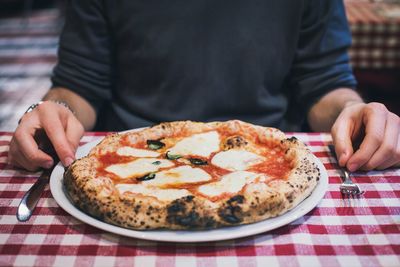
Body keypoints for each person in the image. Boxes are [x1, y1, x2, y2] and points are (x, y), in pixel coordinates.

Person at [8, 0, 400, 172]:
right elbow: (79, 84)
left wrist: (353, 112)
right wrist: (57, 112)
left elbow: (324, 83)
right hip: (131, 160)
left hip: (267, 159)